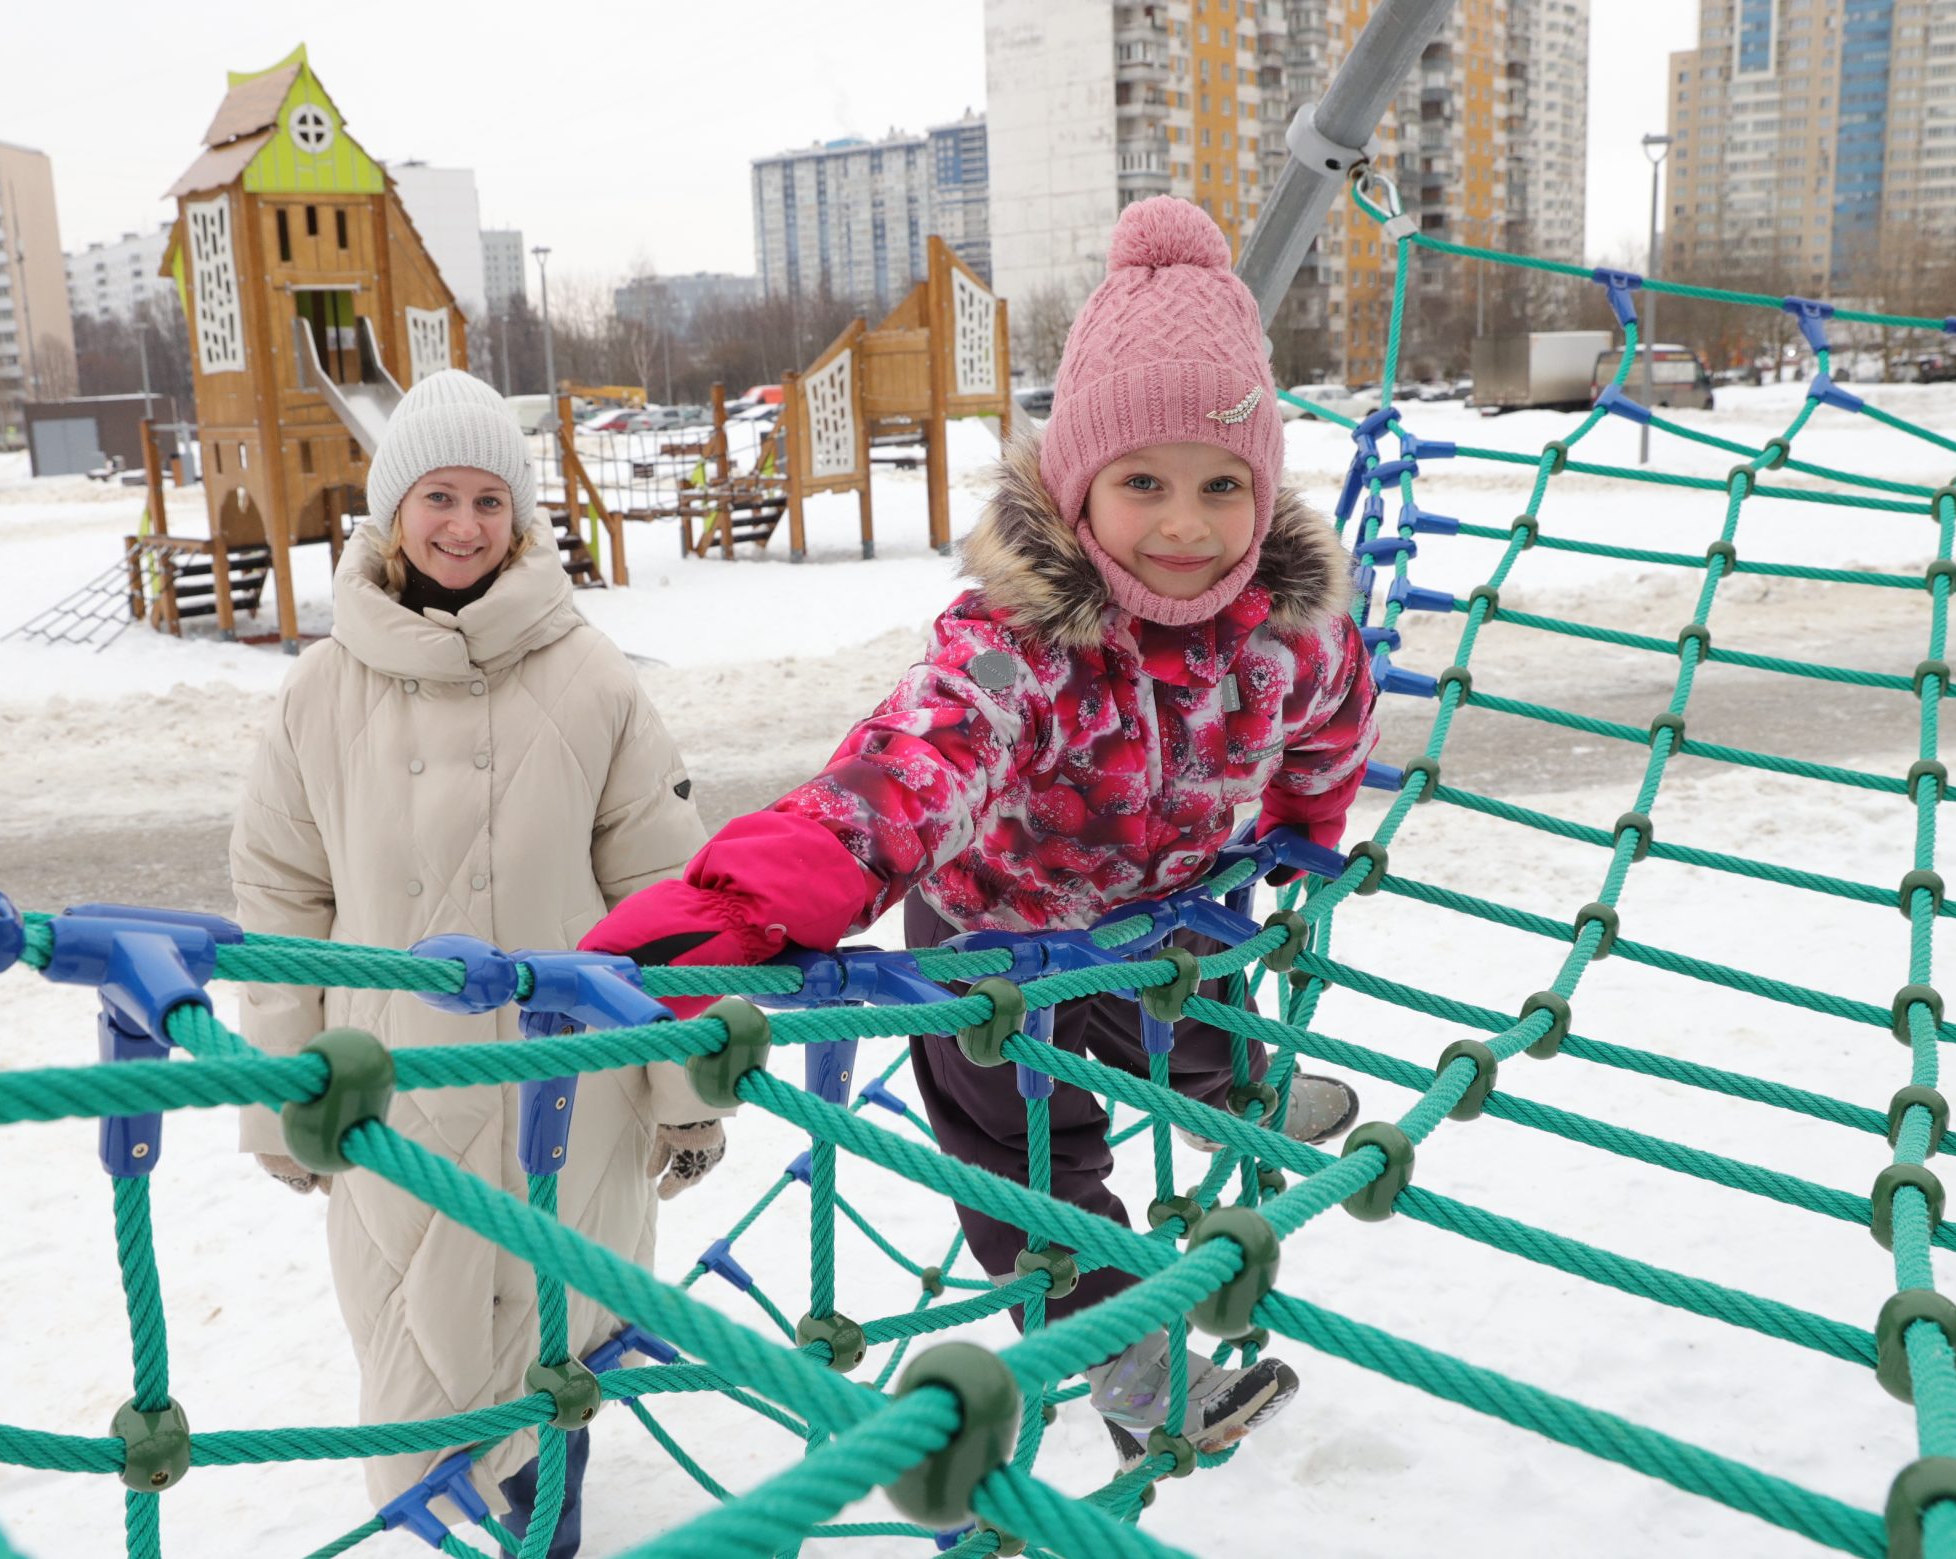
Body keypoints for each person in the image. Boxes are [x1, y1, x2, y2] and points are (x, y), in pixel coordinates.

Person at [582, 196, 1378, 1464]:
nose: (1184, 523)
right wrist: (743, 908)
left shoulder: (1291, 627)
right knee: (1026, 1151)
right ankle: (1129, 1360)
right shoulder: (1019, 647)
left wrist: (1299, 824)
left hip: (1160, 913)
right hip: (994, 943)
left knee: (1209, 1019)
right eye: (1142, 483)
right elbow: (903, 777)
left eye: (1222, 484)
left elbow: (1334, 718)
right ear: (1076, 489)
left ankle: (1253, 1094)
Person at [231, 370, 721, 1556]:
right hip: (395, 1088)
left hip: (569, 1085)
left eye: (490, 500)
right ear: (392, 510)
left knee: (559, 1345)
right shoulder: (318, 691)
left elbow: (663, 900)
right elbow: (279, 904)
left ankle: (545, 1527)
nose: (462, 525)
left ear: (521, 517)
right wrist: (279, 1101)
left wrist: (686, 1098)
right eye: (438, 496)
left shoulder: (592, 680)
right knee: (420, 1337)